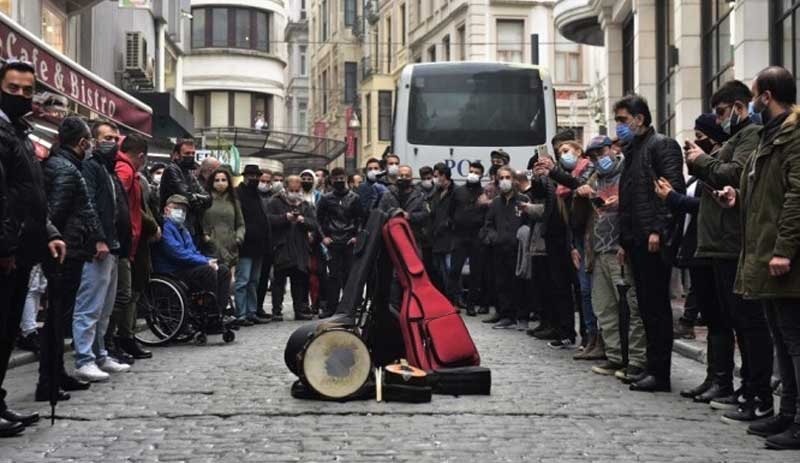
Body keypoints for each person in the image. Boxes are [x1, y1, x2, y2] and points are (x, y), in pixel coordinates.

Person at [719, 67, 800, 448]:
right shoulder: (771, 136)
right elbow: (765, 195)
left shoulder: (794, 135)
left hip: (784, 259)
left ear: (766, 96)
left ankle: (797, 420)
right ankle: (787, 414)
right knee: (781, 340)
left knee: (794, 340)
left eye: (754, 95)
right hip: (764, 254)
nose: (750, 103)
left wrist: (784, 249)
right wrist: (738, 197)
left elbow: (796, 198)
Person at [685, 82, 775, 422]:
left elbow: (735, 173)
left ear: (738, 106)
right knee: (733, 320)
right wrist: (700, 163)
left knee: (750, 324)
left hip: (733, 242)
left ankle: (757, 393)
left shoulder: (751, 135)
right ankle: (743, 388)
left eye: (721, 112)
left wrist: (703, 160)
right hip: (719, 242)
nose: (718, 120)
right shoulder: (739, 138)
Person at [0, 61, 66, 435]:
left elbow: (31, 195)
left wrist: (49, 232)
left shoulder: (20, 132)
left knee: (7, 331)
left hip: (23, 246)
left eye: (28, 90)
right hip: (7, 250)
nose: (21, 96)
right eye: (14, 89)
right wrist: (5, 246)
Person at [654, 115, 729, 402]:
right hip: (696, 252)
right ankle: (713, 378)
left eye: (700, 136)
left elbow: (705, 206)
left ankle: (722, 381)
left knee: (720, 320)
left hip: (711, 251)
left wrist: (673, 198)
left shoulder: (717, 171)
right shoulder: (698, 175)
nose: (695, 144)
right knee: (711, 320)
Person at [615, 94, 686, 392]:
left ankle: (661, 373)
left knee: (656, 307)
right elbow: (629, 200)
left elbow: (672, 190)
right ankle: (651, 367)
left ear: (639, 118)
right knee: (645, 307)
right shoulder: (633, 151)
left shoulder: (662, 145)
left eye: (622, 119)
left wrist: (659, 229)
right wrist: (623, 241)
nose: (619, 126)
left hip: (653, 240)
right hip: (634, 240)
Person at [37, 116, 103, 403]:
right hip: (65, 251)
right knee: (56, 319)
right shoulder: (65, 169)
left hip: (71, 249)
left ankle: (56, 373)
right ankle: (48, 380)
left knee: (59, 318)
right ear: (83, 142)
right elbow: (54, 213)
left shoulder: (64, 166)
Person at [575, 144, 647, 380]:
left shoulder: (626, 173)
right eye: (593, 156)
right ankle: (615, 356)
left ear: (612, 150)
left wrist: (626, 244)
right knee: (604, 308)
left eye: (601, 153)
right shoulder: (595, 178)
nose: (598, 159)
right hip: (598, 251)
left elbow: (632, 208)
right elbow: (583, 218)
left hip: (619, 250)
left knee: (630, 307)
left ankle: (636, 359)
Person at [72, 121, 131, 382]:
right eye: (107, 137)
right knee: (90, 306)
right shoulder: (91, 168)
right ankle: (84, 359)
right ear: (94, 141)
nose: (112, 142)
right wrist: (97, 239)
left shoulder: (109, 170)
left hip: (114, 246)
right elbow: (89, 206)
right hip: (98, 247)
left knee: (105, 308)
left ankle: (99, 353)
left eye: (115, 138)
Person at [152, 195, 231, 321]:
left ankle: (220, 311)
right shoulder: (165, 228)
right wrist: (205, 262)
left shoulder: (183, 229)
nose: (181, 213)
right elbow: (177, 253)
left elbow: (192, 251)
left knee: (223, 270)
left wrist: (208, 260)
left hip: (185, 266)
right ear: (167, 209)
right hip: (171, 270)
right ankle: (210, 313)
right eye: (177, 208)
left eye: (184, 210)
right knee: (208, 271)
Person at [110, 133, 153, 361]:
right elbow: (119, 205)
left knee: (125, 294)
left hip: (129, 241)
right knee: (122, 295)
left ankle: (120, 340)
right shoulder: (125, 171)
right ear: (141, 156)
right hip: (123, 242)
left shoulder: (127, 171)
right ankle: (112, 342)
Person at [481, 167, 527, 329]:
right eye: (501, 178)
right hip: (500, 249)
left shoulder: (523, 199)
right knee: (502, 283)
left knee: (520, 284)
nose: (504, 181)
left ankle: (522, 316)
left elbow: (529, 223)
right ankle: (506, 315)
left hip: (519, 250)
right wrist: (494, 237)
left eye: (508, 177)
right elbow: (489, 224)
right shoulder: (495, 203)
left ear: (514, 179)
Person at [268, 175, 317, 321]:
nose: (295, 192)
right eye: (292, 189)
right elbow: (269, 220)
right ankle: (276, 310)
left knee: (298, 281)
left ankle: (299, 310)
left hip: (299, 248)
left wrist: (303, 220)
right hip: (281, 247)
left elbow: (314, 224)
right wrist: (285, 218)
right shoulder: (275, 202)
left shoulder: (304, 204)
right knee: (278, 282)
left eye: (297, 189)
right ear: (286, 187)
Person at [317, 167, 363, 316]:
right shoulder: (325, 198)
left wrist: (357, 236)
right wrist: (324, 237)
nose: (339, 181)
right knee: (333, 276)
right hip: (333, 241)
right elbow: (318, 220)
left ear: (346, 179)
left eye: (341, 178)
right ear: (331, 180)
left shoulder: (354, 198)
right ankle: (331, 307)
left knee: (350, 276)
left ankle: (349, 307)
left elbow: (360, 219)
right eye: (336, 178)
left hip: (349, 241)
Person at [448, 162, 488, 316]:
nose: (472, 174)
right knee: (454, 270)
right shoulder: (458, 192)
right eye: (471, 171)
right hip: (459, 236)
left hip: (476, 237)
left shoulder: (484, 194)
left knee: (476, 273)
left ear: (481, 175)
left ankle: (471, 305)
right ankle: (453, 302)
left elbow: (487, 215)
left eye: (476, 172)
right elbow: (451, 211)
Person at [234, 165, 269, 326]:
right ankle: (241, 314)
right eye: (251, 175)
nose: (254, 178)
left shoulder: (258, 195)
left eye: (256, 176)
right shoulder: (237, 193)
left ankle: (251, 312)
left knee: (254, 281)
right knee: (243, 281)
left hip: (259, 245)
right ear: (245, 176)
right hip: (245, 244)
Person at [159, 139, 211, 241]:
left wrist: (196, 197)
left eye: (193, 153)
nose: (191, 156)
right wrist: (197, 198)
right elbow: (186, 195)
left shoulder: (189, 173)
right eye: (187, 153)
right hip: (175, 222)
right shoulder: (172, 169)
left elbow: (208, 198)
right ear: (176, 155)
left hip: (190, 224)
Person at [202, 167, 245, 270]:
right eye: (217, 180)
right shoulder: (205, 200)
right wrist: (206, 237)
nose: (220, 183)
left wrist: (238, 238)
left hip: (230, 247)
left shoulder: (234, 202)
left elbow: (240, 224)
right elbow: (199, 222)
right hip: (210, 248)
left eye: (223, 180)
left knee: (229, 282)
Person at [379, 165, 429, 245]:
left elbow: (425, 214)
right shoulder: (388, 195)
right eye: (401, 175)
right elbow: (380, 214)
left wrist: (410, 216)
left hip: (412, 239)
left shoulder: (419, 195)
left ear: (411, 178)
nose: (404, 178)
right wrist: (393, 215)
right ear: (396, 177)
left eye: (407, 176)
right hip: (391, 240)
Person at [430, 163, 455, 298]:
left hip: (449, 238)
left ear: (444, 176)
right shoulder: (436, 192)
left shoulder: (455, 192)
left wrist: (446, 225)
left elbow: (457, 215)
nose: (434, 179)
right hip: (436, 237)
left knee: (450, 269)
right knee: (439, 269)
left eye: (436, 176)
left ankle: (452, 298)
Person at [256, 169, 275, 319]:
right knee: (253, 278)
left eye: (268, 181)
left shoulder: (275, 198)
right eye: (263, 181)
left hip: (271, 242)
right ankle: (251, 307)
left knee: (264, 278)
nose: (265, 184)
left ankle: (259, 306)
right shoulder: (253, 196)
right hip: (256, 242)